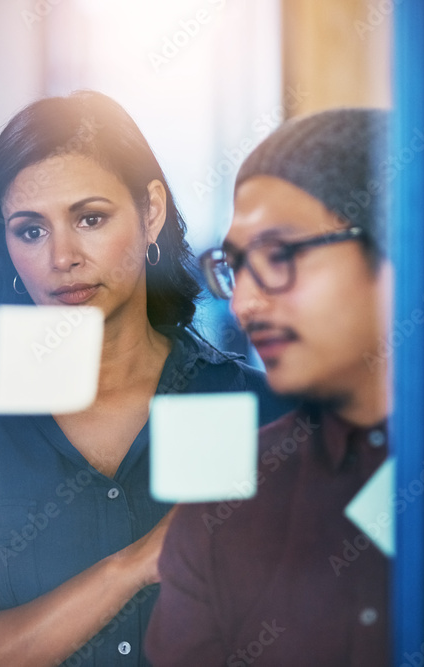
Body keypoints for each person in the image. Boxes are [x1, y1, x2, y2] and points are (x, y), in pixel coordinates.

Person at [0, 90, 291, 666]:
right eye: (30, 230)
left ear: (151, 212)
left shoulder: (255, 408)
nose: (62, 256)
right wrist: (135, 565)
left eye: (90, 218)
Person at [145, 108, 392, 666]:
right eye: (234, 266)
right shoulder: (224, 508)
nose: (245, 302)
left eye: (280, 255)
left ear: (399, 244)